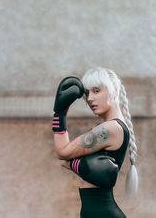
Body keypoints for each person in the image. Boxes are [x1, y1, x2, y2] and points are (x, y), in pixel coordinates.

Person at [52, 67, 138, 218]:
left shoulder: (110, 129)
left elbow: (63, 152)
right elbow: (65, 155)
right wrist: (81, 165)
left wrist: (60, 113)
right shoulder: (105, 127)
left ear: (115, 91)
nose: (90, 98)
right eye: (87, 93)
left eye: (96, 91)